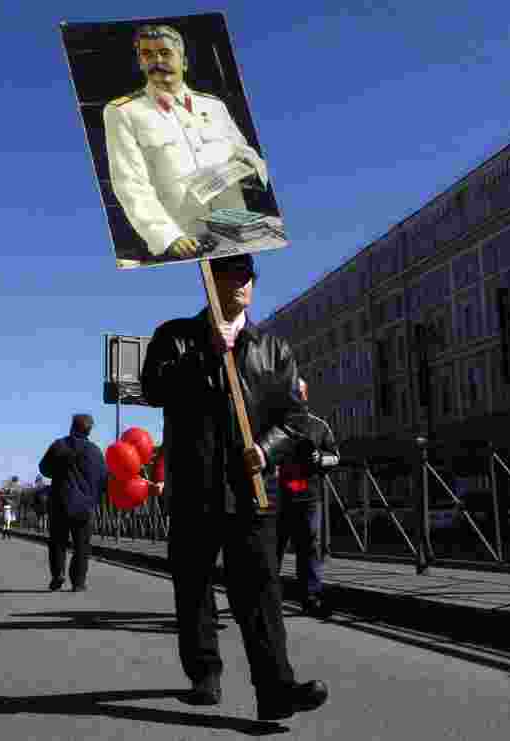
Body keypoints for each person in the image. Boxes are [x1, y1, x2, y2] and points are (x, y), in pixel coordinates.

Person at [141, 253, 328, 721]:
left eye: (248, 277)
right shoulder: (175, 337)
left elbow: (295, 418)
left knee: (260, 593)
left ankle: (276, 689)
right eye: (233, 275)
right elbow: (153, 390)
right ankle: (204, 673)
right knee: (194, 586)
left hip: (252, 491)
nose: (243, 284)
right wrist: (207, 349)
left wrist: (266, 449)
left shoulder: (273, 349)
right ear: (211, 280)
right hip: (192, 486)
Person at [103, 24, 268, 264]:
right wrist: (168, 237)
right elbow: (129, 183)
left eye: (165, 52)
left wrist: (251, 168)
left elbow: (245, 152)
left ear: (185, 61)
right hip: (183, 244)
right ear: (140, 62)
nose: (157, 60)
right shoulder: (124, 112)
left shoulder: (213, 106)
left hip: (237, 236)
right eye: (147, 54)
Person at [276, 377, 339, 615]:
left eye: (299, 392)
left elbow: (336, 455)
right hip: (278, 497)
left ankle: (310, 597)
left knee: (309, 548)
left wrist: (320, 459)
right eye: (292, 393)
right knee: (273, 549)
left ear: (305, 395)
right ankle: (267, 597)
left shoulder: (319, 426)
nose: (296, 397)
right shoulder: (277, 424)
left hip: (309, 497)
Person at [38, 414, 108, 591]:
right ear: (89, 430)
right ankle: (78, 582)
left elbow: (44, 468)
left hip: (59, 502)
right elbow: (103, 479)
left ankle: (58, 574)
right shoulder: (95, 451)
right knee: (82, 546)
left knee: (57, 542)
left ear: (72, 427)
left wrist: (59, 471)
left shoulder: (59, 445)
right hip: (84, 506)